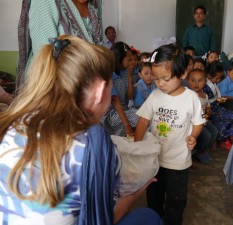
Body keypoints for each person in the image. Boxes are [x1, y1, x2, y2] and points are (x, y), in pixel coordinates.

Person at [0, 35, 161, 225]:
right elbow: (100, 219)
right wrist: (135, 194)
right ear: (101, 91)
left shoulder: (13, 122)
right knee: (149, 217)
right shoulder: (93, 144)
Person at [134, 43, 205, 225]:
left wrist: (193, 137)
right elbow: (143, 121)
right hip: (155, 159)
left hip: (178, 163)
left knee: (176, 200)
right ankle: (154, 220)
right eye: (156, 79)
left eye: (166, 78)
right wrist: (137, 146)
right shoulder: (155, 95)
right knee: (154, 197)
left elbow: (198, 122)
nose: (160, 84)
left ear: (182, 74)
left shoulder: (191, 98)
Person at [17, 0, 103, 92]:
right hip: (54, 90)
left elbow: (99, 44)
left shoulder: (96, 2)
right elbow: (44, 59)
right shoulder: (44, 2)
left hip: (90, 87)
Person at [203, 61, 233, 150]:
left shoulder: (213, 83)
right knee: (229, 117)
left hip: (217, 106)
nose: (218, 80)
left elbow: (216, 97)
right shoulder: (205, 86)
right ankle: (224, 140)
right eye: (217, 78)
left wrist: (220, 99)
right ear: (209, 76)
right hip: (211, 109)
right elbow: (207, 102)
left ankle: (232, 137)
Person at [101, 41, 139, 136]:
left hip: (124, 109)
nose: (131, 63)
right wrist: (128, 127)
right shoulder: (108, 74)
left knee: (143, 114)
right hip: (111, 114)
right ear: (119, 59)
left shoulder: (125, 72)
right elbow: (115, 101)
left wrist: (130, 77)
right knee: (136, 118)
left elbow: (130, 97)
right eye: (129, 60)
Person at [187, 69, 218, 163]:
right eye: (193, 80)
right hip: (194, 123)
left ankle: (203, 149)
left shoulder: (205, 95)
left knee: (215, 132)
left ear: (205, 81)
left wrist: (209, 111)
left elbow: (208, 109)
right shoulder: (189, 95)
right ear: (188, 81)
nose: (196, 83)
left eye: (200, 80)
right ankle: (199, 152)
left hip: (203, 120)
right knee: (206, 136)